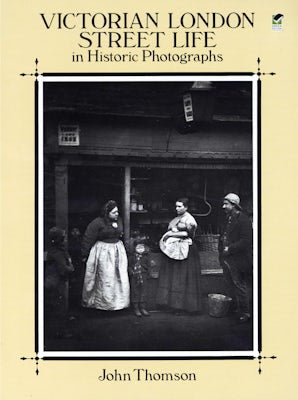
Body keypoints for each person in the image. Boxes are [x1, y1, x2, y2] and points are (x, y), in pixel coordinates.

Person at [81, 200, 130, 311]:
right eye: (114, 212)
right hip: (103, 252)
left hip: (117, 251)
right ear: (107, 213)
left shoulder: (120, 220)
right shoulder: (97, 222)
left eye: (117, 212)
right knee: (105, 278)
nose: (117, 214)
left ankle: (117, 304)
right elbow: (88, 238)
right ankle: (102, 305)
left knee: (118, 278)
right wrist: (85, 253)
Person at [156, 197, 202, 313]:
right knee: (176, 277)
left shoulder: (189, 219)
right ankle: (174, 305)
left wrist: (169, 235)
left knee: (184, 277)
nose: (177, 208)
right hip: (175, 250)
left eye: (180, 206)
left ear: (186, 207)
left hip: (187, 250)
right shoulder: (177, 218)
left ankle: (185, 306)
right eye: (176, 206)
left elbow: (189, 234)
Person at [219, 193, 253, 323]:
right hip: (227, 259)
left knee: (239, 285)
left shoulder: (243, 220)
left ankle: (245, 312)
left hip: (239, 259)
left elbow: (247, 240)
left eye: (226, 204)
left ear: (234, 205)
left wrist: (230, 248)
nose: (223, 206)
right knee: (230, 284)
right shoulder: (228, 218)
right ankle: (234, 308)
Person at [44, 227, 74, 338]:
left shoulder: (54, 250)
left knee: (57, 306)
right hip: (57, 282)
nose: (65, 239)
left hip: (54, 281)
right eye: (63, 238)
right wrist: (70, 267)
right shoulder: (57, 252)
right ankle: (61, 331)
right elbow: (65, 269)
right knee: (60, 307)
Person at [128, 241, 151, 317]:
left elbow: (149, 266)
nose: (140, 249)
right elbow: (129, 266)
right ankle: (136, 308)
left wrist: (148, 273)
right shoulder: (131, 257)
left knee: (143, 291)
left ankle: (142, 307)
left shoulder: (146, 257)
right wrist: (131, 271)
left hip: (143, 275)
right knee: (135, 291)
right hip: (135, 275)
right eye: (138, 248)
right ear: (134, 248)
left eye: (142, 248)